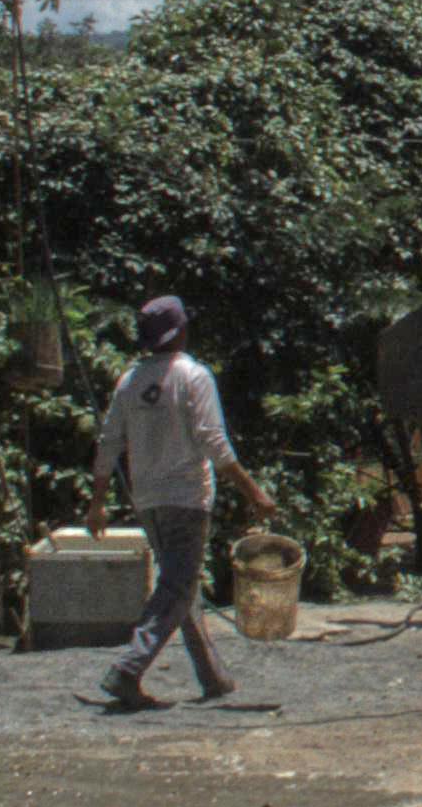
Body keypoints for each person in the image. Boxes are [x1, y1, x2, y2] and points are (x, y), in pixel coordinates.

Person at [87, 293, 278, 709]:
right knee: (177, 586)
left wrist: (97, 501)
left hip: (148, 499)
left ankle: (213, 677)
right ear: (180, 332)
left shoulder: (130, 381)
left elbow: (109, 441)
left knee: (181, 585)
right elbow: (214, 442)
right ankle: (127, 669)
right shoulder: (193, 376)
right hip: (187, 498)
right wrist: (254, 492)